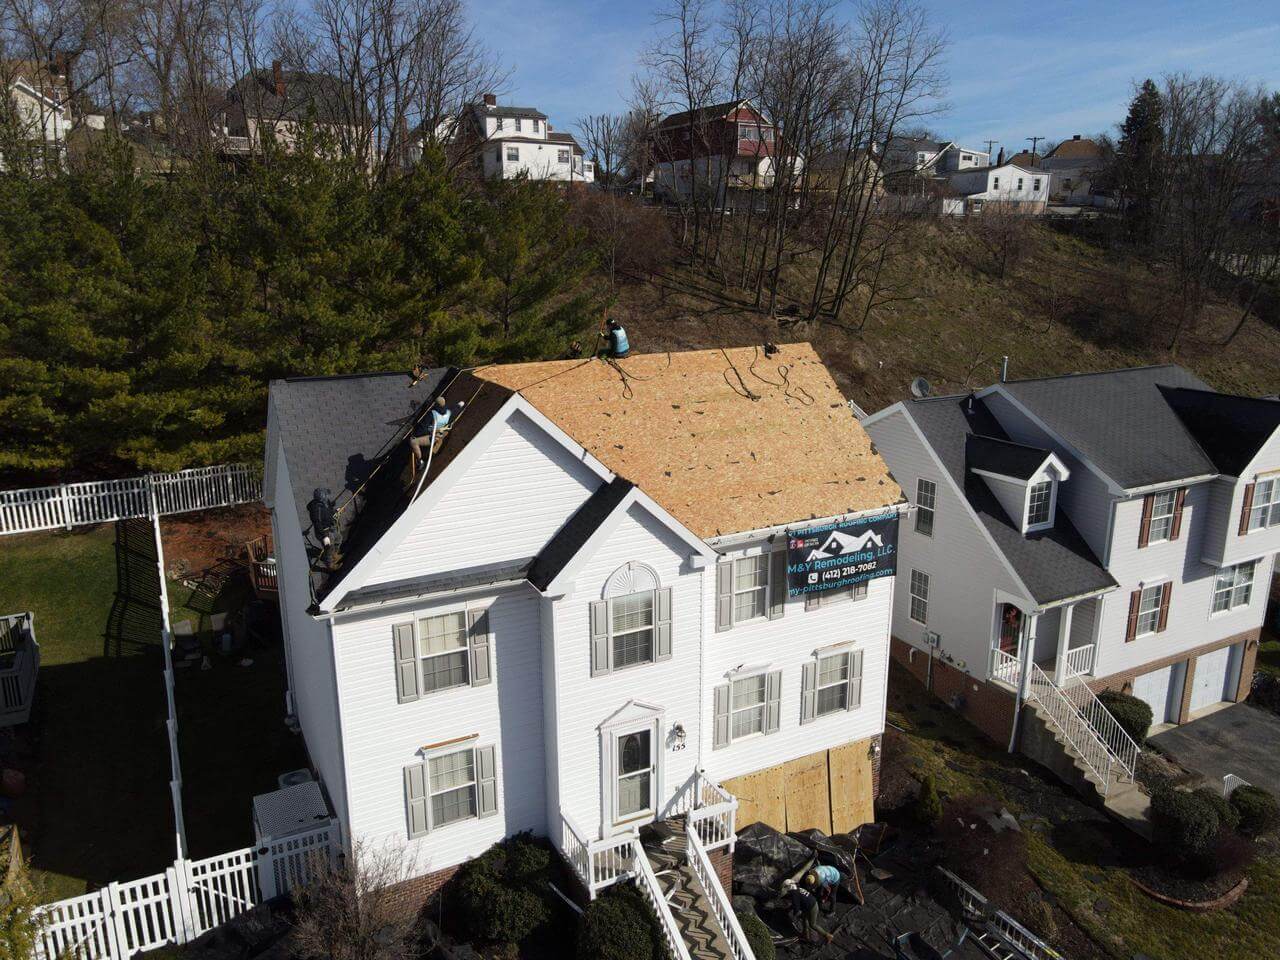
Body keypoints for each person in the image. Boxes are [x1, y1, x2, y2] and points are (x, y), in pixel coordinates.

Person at [782, 878, 833, 944]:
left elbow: (796, 906)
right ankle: (805, 935)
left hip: (812, 907)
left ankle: (828, 935)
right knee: (804, 920)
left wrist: (795, 913)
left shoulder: (794, 893)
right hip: (811, 904)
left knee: (813, 924)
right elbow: (798, 901)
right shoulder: (797, 888)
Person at [409, 397, 457, 463]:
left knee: (413, 442)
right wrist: (460, 405)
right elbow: (456, 408)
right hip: (442, 433)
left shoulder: (432, 415)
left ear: (436, 405)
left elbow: (423, 428)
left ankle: (420, 461)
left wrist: (415, 435)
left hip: (434, 436)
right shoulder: (449, 412)